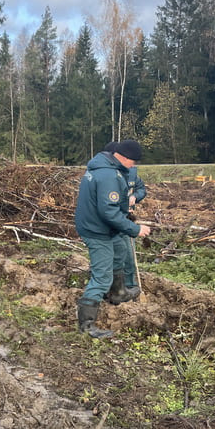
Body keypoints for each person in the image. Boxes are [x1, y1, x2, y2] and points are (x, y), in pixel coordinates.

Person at [74, 139, 151, 338]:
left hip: (105, 229)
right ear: (124, 157)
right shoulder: (108, 175)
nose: (133, 166)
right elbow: (108, 212)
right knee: (102, 276)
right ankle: (86, 326)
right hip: (97, 231)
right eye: (132, 162)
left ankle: (118, 293)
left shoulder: (105, 169)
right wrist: (135, 229)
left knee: (121, 252)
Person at [103, 142, 147, 297]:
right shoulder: (107, 175)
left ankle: (129, 286)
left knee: (128, 255)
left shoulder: (132, 172)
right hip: (112, 222)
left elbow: (142, 189)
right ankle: (109, 287)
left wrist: (135, 196)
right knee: (111, 255)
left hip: (126, 221)